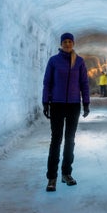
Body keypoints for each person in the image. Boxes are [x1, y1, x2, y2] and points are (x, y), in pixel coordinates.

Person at [42, 32, 90, 192]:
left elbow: (84, 83)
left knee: (70, 140)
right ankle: (52, 177)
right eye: (65, 42)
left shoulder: (80, 62)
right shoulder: (54, 61)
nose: (67, 44)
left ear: (73, 43)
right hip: (56, 103)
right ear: (61, 44)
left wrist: (86, 103)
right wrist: (45, 102)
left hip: (74, 105)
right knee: (56, 140)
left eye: (70, 41)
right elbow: (47, 82)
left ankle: (66, 174)